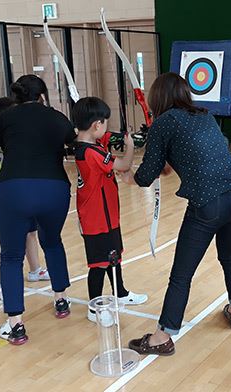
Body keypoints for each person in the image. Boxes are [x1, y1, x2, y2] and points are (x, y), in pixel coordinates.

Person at [118, 72, 231, 356]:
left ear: (158, 98)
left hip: (208, 203)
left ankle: (161, 337)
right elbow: (192, 154)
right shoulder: (204, 115)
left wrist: (127, 177)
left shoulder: (163, 123)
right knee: (229, 253)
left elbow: (145, 176)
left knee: (181, 275)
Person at [0, 75, 76, 345]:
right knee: (52, 242)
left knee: (11, 257)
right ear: (43, 96)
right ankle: (61, 300)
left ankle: (16, 325)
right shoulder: (57, 117)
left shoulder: (3, 119)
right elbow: (76, 145)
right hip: (54, 189)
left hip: (13, 190)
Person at [71, 97, 148, 322]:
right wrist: (131, 147)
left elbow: (108, 137)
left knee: (114, 257)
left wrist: (125, 137)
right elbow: (123, 166)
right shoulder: (90, 153)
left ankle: (120, 294)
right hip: (95, 219)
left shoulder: (91, 144)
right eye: (104, 122)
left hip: (107, 216)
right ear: (96, 124)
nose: (105, 127)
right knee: (99, 264)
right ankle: (93, 308)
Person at [0, 98, 51, 304]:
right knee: (11, 246)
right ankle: (6, 284)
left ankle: (35, 270)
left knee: (31, 233)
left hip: (25, 191)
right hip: (9, 196)